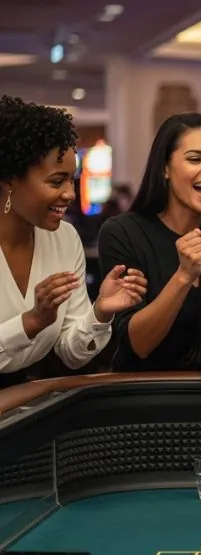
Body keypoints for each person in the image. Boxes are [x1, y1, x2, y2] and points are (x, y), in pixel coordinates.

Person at [0, 96, 146, 388]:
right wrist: (31, 321)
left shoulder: (65, 238)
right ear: (9, 179)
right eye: (57, 182)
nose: (70, 194)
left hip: (26, 399)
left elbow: (71, 353)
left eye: (72, 180)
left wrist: (101, 312)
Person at [97, 113, 201, 372]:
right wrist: (183, 276)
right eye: (195, 159)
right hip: (149, 392)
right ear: (164, 168)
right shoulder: (123, 232)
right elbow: (139, 344)